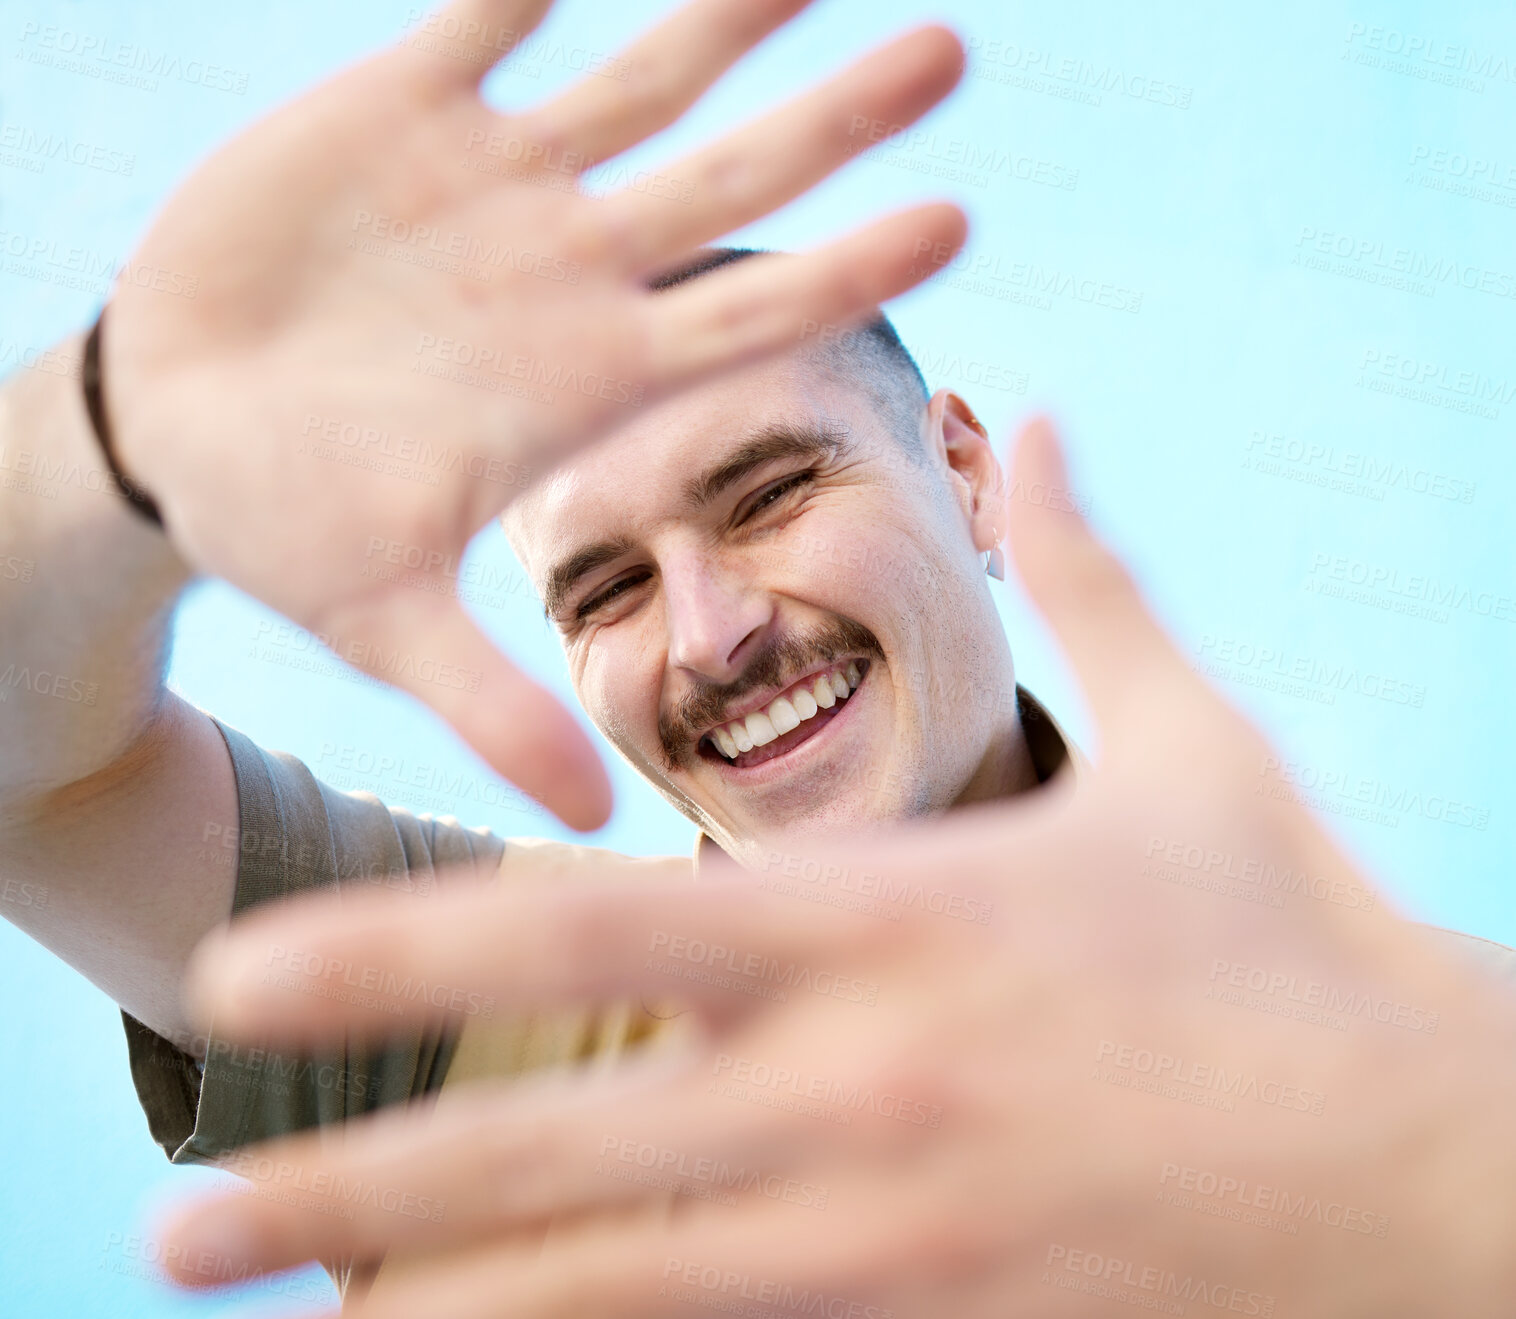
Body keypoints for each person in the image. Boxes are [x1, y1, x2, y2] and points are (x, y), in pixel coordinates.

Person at [3, 1, 1514, 1316]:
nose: (713, 634)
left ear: (968, 470)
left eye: (774, 493)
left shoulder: (1406, 1074)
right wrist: (106, 433)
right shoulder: (451, 993)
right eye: (604, 590)